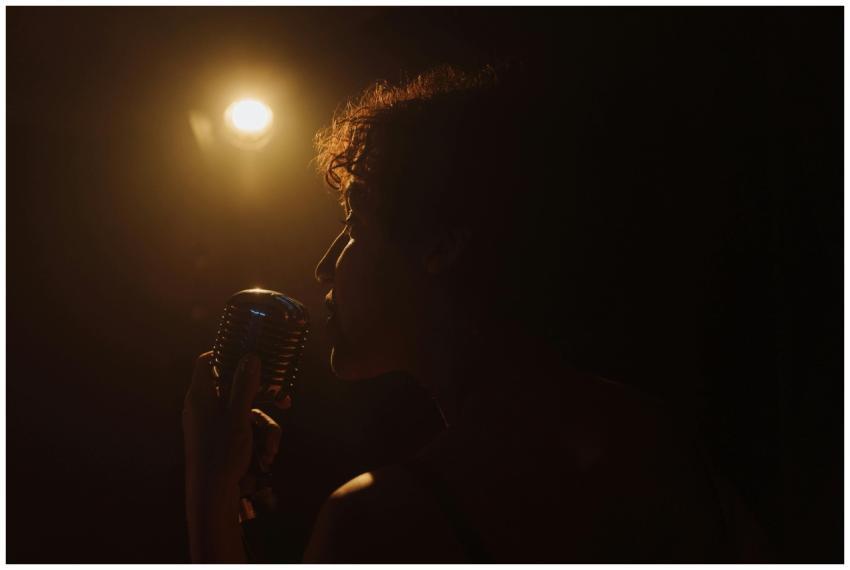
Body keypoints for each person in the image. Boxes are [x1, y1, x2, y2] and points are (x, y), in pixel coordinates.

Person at [183, 64, 768, 562]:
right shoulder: (664, 445)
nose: (324, 265)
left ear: (442, 242)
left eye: (354, 224)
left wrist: (211, 494)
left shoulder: (381, 524)